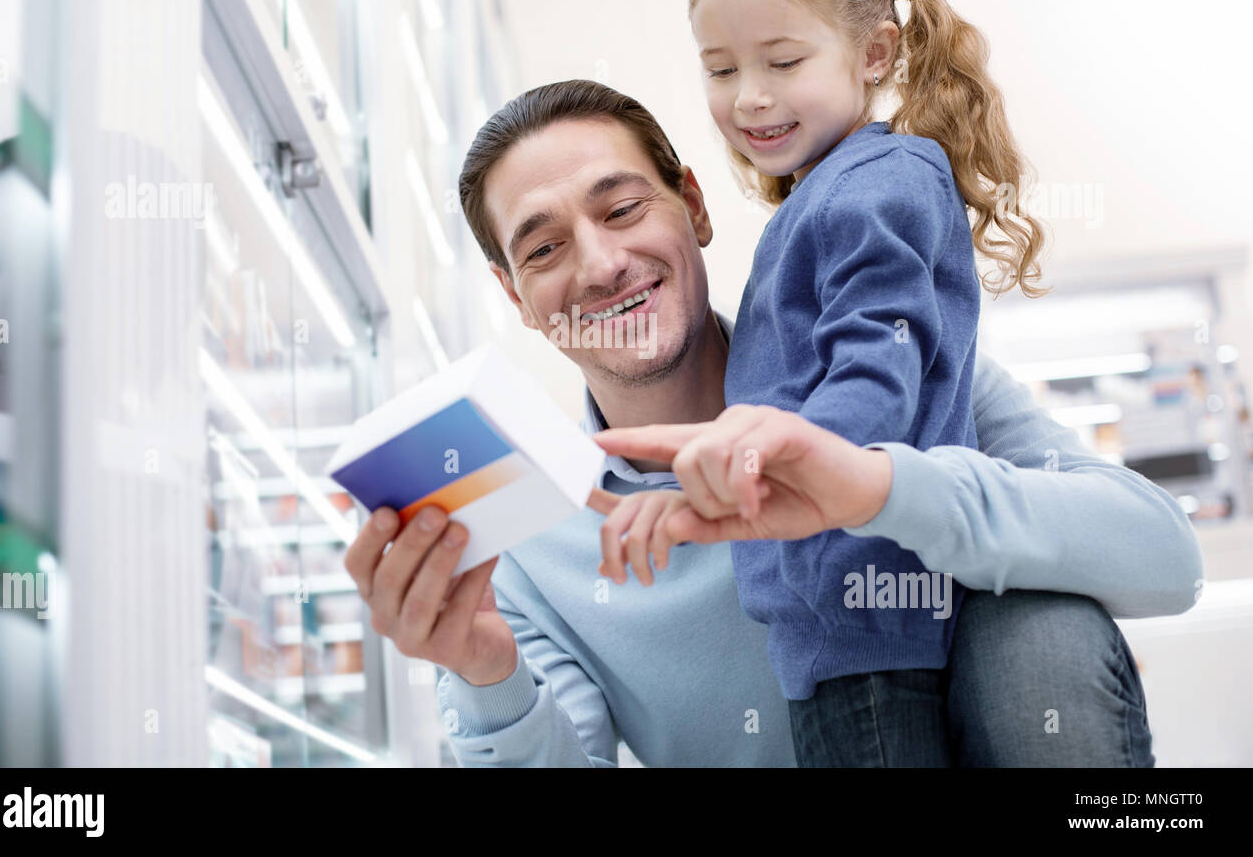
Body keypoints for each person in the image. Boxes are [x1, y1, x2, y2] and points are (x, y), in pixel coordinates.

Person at [343, 79, 1200, 767]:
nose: (602, 265)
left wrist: (878, 488)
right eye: (543, 249)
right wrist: (489, 675)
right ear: (516, 298)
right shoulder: (531, 545)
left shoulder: (881, 369)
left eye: (623, 209)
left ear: (695, 207)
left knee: (1037, 626)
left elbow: (1163, 555)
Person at [589, 0, 1055, 766]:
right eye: (720, 70)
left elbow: (877, 373)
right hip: (853, 623)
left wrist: (766, 456)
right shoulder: (832, 192)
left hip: (868, 633)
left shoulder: (873, 185)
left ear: (875, 53)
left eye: (783, 60)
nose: (749, 96)